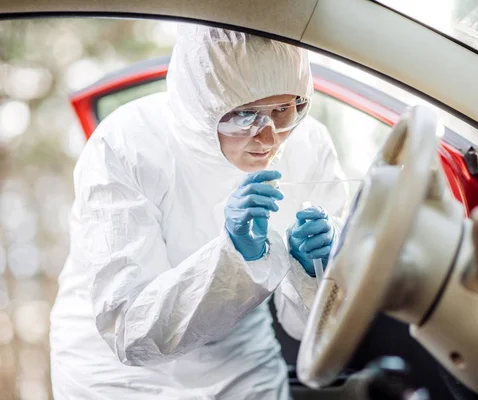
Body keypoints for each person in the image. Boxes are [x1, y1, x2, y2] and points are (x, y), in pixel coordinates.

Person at [49, 23, 348, 399]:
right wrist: (235, 258)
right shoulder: (126, 145)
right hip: (114, 375)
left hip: (237, 352)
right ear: (203, 108)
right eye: (245, 116)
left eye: (285, 109)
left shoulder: (308, 144)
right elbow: (131, 330)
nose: (269, 138)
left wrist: (315, 271)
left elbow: (312, 329)